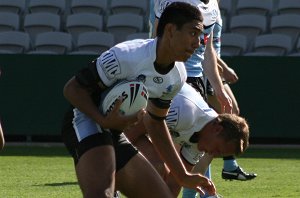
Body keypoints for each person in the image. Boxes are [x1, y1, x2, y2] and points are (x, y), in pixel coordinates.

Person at [61, 2, 216, 198]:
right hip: (85, 120)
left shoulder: (177, 76)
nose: (198, 43)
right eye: (193, 33)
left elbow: (156, 123)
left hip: (115, 131)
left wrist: (182, 175)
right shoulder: (127, 55)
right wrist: (103, 121)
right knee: (102, 194)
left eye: (200, 36)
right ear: (170, 30)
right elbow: (72, 89)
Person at [125, 82, 250, 197]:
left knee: (159, 171)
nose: (213, 154)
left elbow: (174, 184)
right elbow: (129, 133)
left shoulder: (202, 140)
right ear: (217, 129)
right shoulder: (184, 113)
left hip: (133, 114)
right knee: (154, 166)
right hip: (118, 101)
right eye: (218, 149)